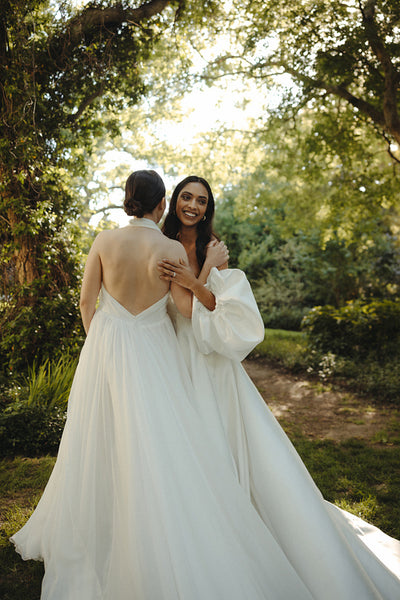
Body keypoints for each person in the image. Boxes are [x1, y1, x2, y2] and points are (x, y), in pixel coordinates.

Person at [10, 170, 327, 600]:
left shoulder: (103, 240)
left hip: (106, 350)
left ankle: (95, 524)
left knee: (96, 437)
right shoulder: (170, 247)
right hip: (156, 352)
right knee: (160, 441)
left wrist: (104, 341)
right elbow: (182, 310)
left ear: (129, 200)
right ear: (162, 204)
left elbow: (87, 302)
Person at [158, 174, 400, 599]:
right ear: (174, 199)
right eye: (186, 197)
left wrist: (207, 272)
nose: (193, 205)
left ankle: (244, 517)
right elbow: (182, 307)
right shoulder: (164, 248)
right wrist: (205, 276)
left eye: (201, 200)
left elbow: (217, 307)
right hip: (179, 355)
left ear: (207, 207)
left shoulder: (214, 247)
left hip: (214, 363)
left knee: (231, 441)